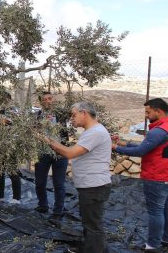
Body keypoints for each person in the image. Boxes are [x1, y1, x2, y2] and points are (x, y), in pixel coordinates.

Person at [112, 98, 168, 252]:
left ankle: (152, 245)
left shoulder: (158, 131)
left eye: (148, 112)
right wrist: (124, 143)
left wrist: (116, 147)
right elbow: (149, 147)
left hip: (157, 176)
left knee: (156, 211)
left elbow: (140, 151)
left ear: (159, 111)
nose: (146, 115)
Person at [43, 101, 112, 253]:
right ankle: (93, 247)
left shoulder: (95, 132)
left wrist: (49, 141)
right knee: (90, 223)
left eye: (74, 115)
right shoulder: (91, 131)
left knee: (93, 225)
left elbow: (69, 153)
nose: (71, 119)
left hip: (94, 186)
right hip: (90, 185)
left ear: (84, 113)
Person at [34, 92, 69, 219]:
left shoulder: (61, 114)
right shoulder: (37, 116)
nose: (49, 101)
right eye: (45, 99)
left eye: (50, 98)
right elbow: (33, 131)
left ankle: (58, 211)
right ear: (41, 102)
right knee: (39, 182)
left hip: (60, 152)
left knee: (59, 183)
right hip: (43, 153)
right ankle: (43, 205)